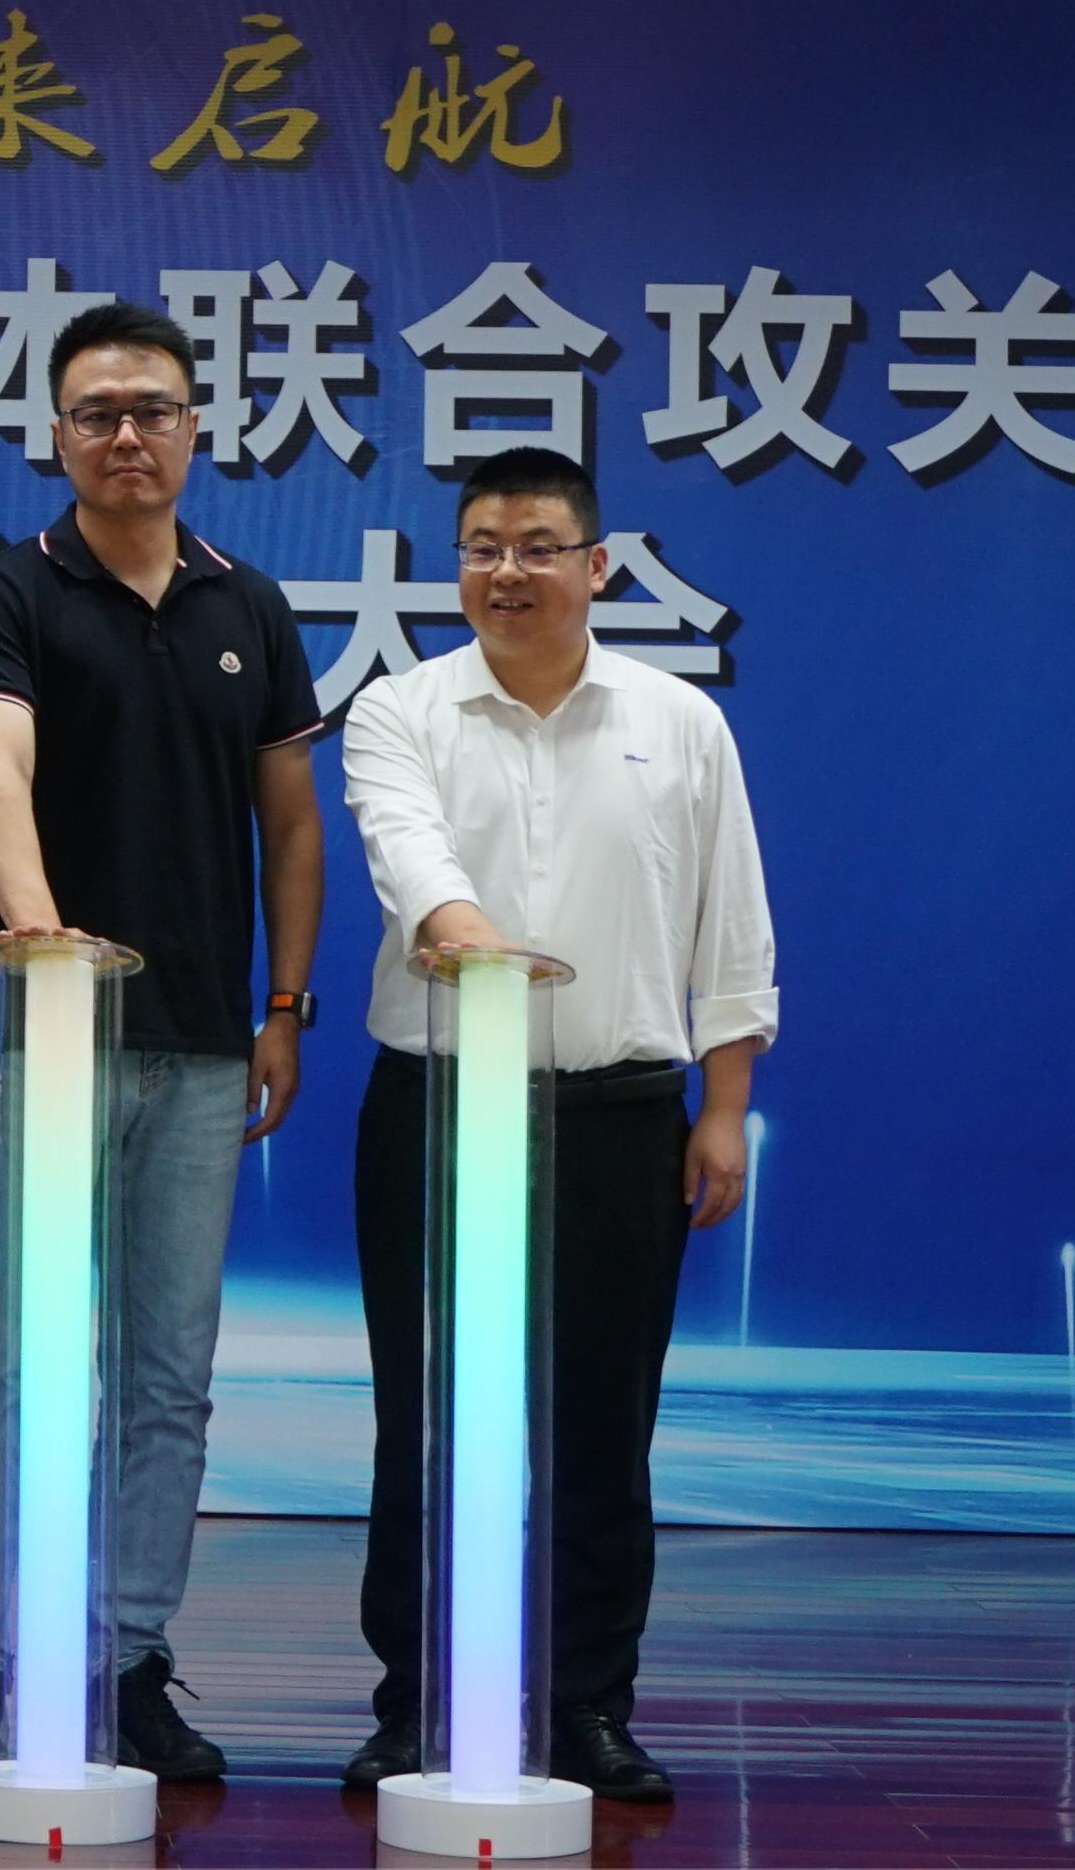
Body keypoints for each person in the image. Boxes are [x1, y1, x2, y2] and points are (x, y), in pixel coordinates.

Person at [0, 303, 326, 1784]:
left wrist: (285, 1006)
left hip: (205, 1046)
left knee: (168, 1375)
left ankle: (126, 1656)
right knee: (1, 1359)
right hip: (45, 1041)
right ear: (57, 435)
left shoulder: (249, 604)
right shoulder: (12, 590)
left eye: (151, 410)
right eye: (97, 413)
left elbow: (291, 824)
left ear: (195, 427)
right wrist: (42, 942)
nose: (126, 435)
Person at [337, 445, 777, 1805]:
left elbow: (733, 923)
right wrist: (471, 939)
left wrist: (724, 1109)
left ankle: (586, 1705)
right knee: (427, 1421)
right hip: (438, 1102)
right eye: (482, 547)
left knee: (600, 1429)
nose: (506, 571)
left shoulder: (678, 722)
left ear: (597, 566)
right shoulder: (399, 710)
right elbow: (407, 854)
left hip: (620, 1115)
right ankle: (418, 1705)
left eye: (536, 546)